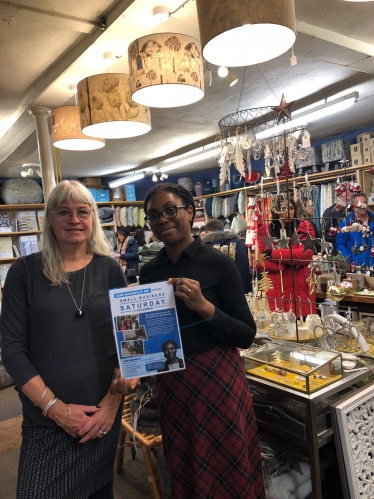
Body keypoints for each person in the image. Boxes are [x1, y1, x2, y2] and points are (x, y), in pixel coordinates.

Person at [113, 182, 264, 498]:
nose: (163, 220)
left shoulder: (218, 263)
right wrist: (133, 356)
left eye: (170, 210)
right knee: (185, 464)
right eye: (154, 216)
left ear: (191, 212)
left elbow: (246, 334)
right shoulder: (152, 271)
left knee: (228, 464)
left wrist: (205, 307)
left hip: (218, 378)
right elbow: (150, 335)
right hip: (174, 383)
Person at [0, 180, 128, 499]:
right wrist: (55, 409)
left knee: (99, 492)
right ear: (49, 220)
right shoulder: (24, 272)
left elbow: (131, 340)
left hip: (100, 417)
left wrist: (111, 406)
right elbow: (12, 350)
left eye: (83, 211)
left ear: (93, 218)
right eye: (64, 212)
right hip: (45, 420)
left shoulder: (110, 269)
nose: (74, 219)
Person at [257, 198, 317, 317]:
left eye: (290, 208)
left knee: (303, 325)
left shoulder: (304, 227)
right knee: (278, 325)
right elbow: (260, 261)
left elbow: (304, 255)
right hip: (275, 286)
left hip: (299, 285)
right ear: (276, 211)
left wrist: (272, 254)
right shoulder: (265, 231)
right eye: (283, 208)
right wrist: (288, 264)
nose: (288, 212)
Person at [201, 218, 252, 292]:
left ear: (208, 231)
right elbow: (243, 266)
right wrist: (245, 290)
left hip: (212, 293)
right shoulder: (237, 243)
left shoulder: (204, 247)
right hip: (236, 291)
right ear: (222, 229)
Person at [336, 193, 374, 268]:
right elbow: (340, 244)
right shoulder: (345, 224)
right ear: (353, 206)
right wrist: (347, 261)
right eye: (359, 203)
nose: (362, 206)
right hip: (356, 266)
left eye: (364, 203)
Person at [322, 181, 351, 252]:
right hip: (337, 251)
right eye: (349, 189)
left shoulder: (350, 210)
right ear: (341, 192)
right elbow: (326, 235)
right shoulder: (330, 211)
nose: (352, 192)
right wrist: (342, 238)